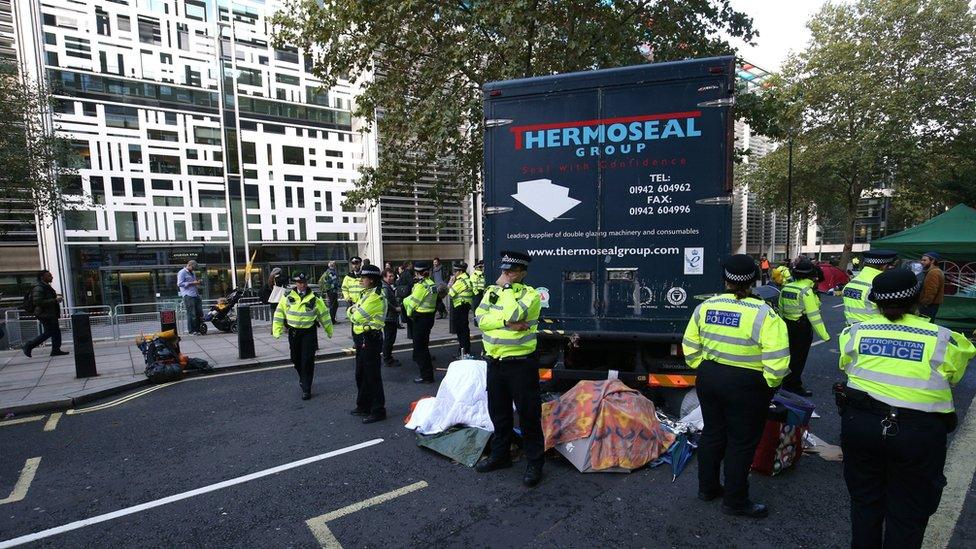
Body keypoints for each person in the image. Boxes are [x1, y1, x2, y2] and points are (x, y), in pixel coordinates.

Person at [837, 268, 975, 548]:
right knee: (908, 513)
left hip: (861, 425)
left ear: (875, 302)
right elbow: (955, 374)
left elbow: (846, 364)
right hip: (918, 433)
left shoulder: (855, 332)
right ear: (916, 299)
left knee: (864, 504)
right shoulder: (943, 338)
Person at [681, 254, 791, 518]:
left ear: (726, 280)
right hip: (748, 385)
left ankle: (707, 489)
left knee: (712, 434)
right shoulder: (765, 314)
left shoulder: (705, 307)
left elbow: (689, 346)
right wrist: (769, 386)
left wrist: (704, 368)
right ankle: (735, 500)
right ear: (755, 281)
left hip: (710, 378)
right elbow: (777, 360)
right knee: (741, 443)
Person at [474, 251, 545, 487]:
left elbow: (516, 313)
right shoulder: (491, 292)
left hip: (520, 364)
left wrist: (505, 293)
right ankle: (500, 455)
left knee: (528, 415)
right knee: (499, 413)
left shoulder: (531, 294)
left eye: (511, 271)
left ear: (522, 273)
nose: (505, 275)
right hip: (495, 362)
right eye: (504, 271)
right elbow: (480, 319)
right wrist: (505, 323)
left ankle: (535, 463)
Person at [272, 273, 333, 400]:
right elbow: (279, 313)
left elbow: (324, 314)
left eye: (304, 282)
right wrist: (276, 330)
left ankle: (306, 388)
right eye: (300, 283)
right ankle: (302, 378)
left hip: (308, 332)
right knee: (295, 359)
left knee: (307, 360)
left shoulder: (315, 297)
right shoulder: (287, 296)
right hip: (294, 333)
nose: (302, 285)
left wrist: (329, 330)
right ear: (295, 283)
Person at [778, 258, 830, 396]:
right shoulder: (806, 291)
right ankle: (793, 385)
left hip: (788, 325)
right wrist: (824, 335)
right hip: (802, 328)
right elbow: (814, 316)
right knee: (799, 358)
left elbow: (781, 309)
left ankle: (784, 381)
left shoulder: (786, 288)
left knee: (788, 355)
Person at [348, 264, 388, 423]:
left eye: (363, 278)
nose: (361, 280)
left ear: (371, 280)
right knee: (361, 374)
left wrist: (352, 311)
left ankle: (378, 410)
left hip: (370, 339)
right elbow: (354, 311)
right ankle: (364, 405)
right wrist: (353, 311)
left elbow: (356, 316)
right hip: (361, 338)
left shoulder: (375, 297)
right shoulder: (367, 293)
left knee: (372, 376)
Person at [402, 261, 438, 383]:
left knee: (420, 349)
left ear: (418, 273)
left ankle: (426, 376)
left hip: (420, 319)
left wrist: (407, 310)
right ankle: (426, 373)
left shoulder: (421, 286)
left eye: (416, 273)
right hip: (429, 318)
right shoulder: (432, 284)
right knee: (423, 346)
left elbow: (412, 303)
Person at [843, 249, 898, 325]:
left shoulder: (850, 284)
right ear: (884, 266)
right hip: (874, 332)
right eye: (891, 267)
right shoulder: (882, 285)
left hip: (851, 332)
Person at [22, 270, 68, 358]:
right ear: (42, 277)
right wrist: (55, 300)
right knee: (50, 332)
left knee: (56, 332)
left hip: (50, 313)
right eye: (49, 276)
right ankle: (29, 345)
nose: (51, 277)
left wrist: (55, 297)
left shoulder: (45, 286)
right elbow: (38, 301)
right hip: (44, 314)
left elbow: (44, 298)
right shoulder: (39, 287)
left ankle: (56, 350)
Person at [448, 261, 474, 358]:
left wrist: (451, 282)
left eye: (455, 271)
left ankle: (464, 352)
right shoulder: (466, 279)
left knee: (461, 330)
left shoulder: (460, 281)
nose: (454, 273)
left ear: (460, 272)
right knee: (464, 329)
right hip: (465, 306)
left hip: (460, 306)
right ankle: (465, 350)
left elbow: (451, 293)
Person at [177, 260, 204, 335]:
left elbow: (194, 283)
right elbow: (179, 284)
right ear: (189, 265)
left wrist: (197, 282)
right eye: (193, 267)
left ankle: (198, 329)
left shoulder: (193, 273)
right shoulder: (182, 272)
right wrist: (192, 283)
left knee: (199, 312)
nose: (194, 269)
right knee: (191, 313)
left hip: (195, 294)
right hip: (188, 295)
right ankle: (192, 331)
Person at [381, 268, 401, 367]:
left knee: (390, 339)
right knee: (389, 339)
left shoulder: (387, 286)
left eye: (393, 275)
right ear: (384, 277)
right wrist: (396, 309)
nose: (392, 277)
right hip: (388, 318)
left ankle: (388, 357)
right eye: (390, 276)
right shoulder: (385, 288)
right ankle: (387, 359)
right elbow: (386, 303)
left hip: (391, 317)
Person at [918, 252, 945, 321]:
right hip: (930, 305)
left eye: (924, 260)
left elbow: (931, 291)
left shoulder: (934, 272)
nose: (921, 262)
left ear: (932, 261)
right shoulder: (934, 271)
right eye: (921, 260)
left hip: (929, 306)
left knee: (925, 325)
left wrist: (925, 304)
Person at [342, 256, 365, 329]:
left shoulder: (364, 275)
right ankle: (356, 337)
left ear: (360, 264)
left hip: (362, 303)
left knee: (362, 321)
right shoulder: (348, 277)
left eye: (356, 263)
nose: (354, 265)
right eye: (353, 263)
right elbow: (344, 288)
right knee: (353, 322)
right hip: (352, 303)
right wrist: (347, 297)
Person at [395, 262, 414, 327]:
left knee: (403, 305)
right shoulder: (407, 274)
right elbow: (411, 283)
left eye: (399, 269)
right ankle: (406, 318)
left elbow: (399, 283)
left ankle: (404, 319)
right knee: (406, 305)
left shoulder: (403, 274)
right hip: (407, 292)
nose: (398, 271)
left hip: (403, 293)